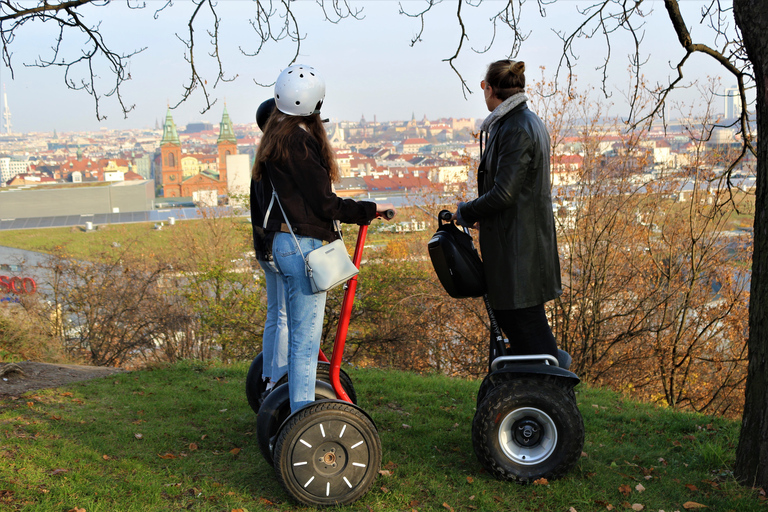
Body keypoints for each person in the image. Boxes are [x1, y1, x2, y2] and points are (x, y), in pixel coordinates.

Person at [253, 64, 394, 413]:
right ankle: (301, 417)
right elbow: (324, 202)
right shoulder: (299, 140)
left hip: (283, 244)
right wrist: (367, 209)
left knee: (286, 324)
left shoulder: (275, 135)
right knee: (305, 341)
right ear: (317, 105)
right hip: (303, 247)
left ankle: (281, 397)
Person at [455, 59, 561, 358]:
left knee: (527, 329)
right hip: (521, 245)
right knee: (522, 328)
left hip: (519, 252)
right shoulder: (524, 122)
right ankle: (530, 393)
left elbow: (504, 193)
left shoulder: (515, 128)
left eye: (483, 89)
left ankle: (551, 395)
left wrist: (467, 211)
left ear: (489, 89)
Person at [250, 97, 288, 395]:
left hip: (264, 244)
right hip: (280, 244)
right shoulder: (282, 157)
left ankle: (268, 378)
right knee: (286, 316)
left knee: (275, 314)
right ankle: (278, 382)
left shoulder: (261, 156)